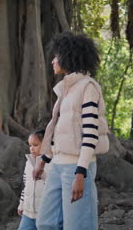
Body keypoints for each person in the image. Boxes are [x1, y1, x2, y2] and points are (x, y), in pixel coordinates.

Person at [33, 31, 109, 230]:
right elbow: (59, 131)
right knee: (45, 223)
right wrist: (44, 159)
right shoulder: (65, 90)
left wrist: (80, 174)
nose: (52, 61)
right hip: (57, 165)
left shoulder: (88, 87)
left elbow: (91, 134)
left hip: (76, 167)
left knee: (78, 226)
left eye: (56, 56)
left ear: (70, 56)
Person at [17, 129, 50, 230]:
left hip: (45, 213)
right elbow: (25, 185)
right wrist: (21, 204)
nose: (31, 149)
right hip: (28, 212)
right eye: (30, 145)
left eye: (35, 145)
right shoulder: (28, 162)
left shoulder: (51, 164)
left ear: (46, 144)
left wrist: (43, 175)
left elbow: (53, 186)